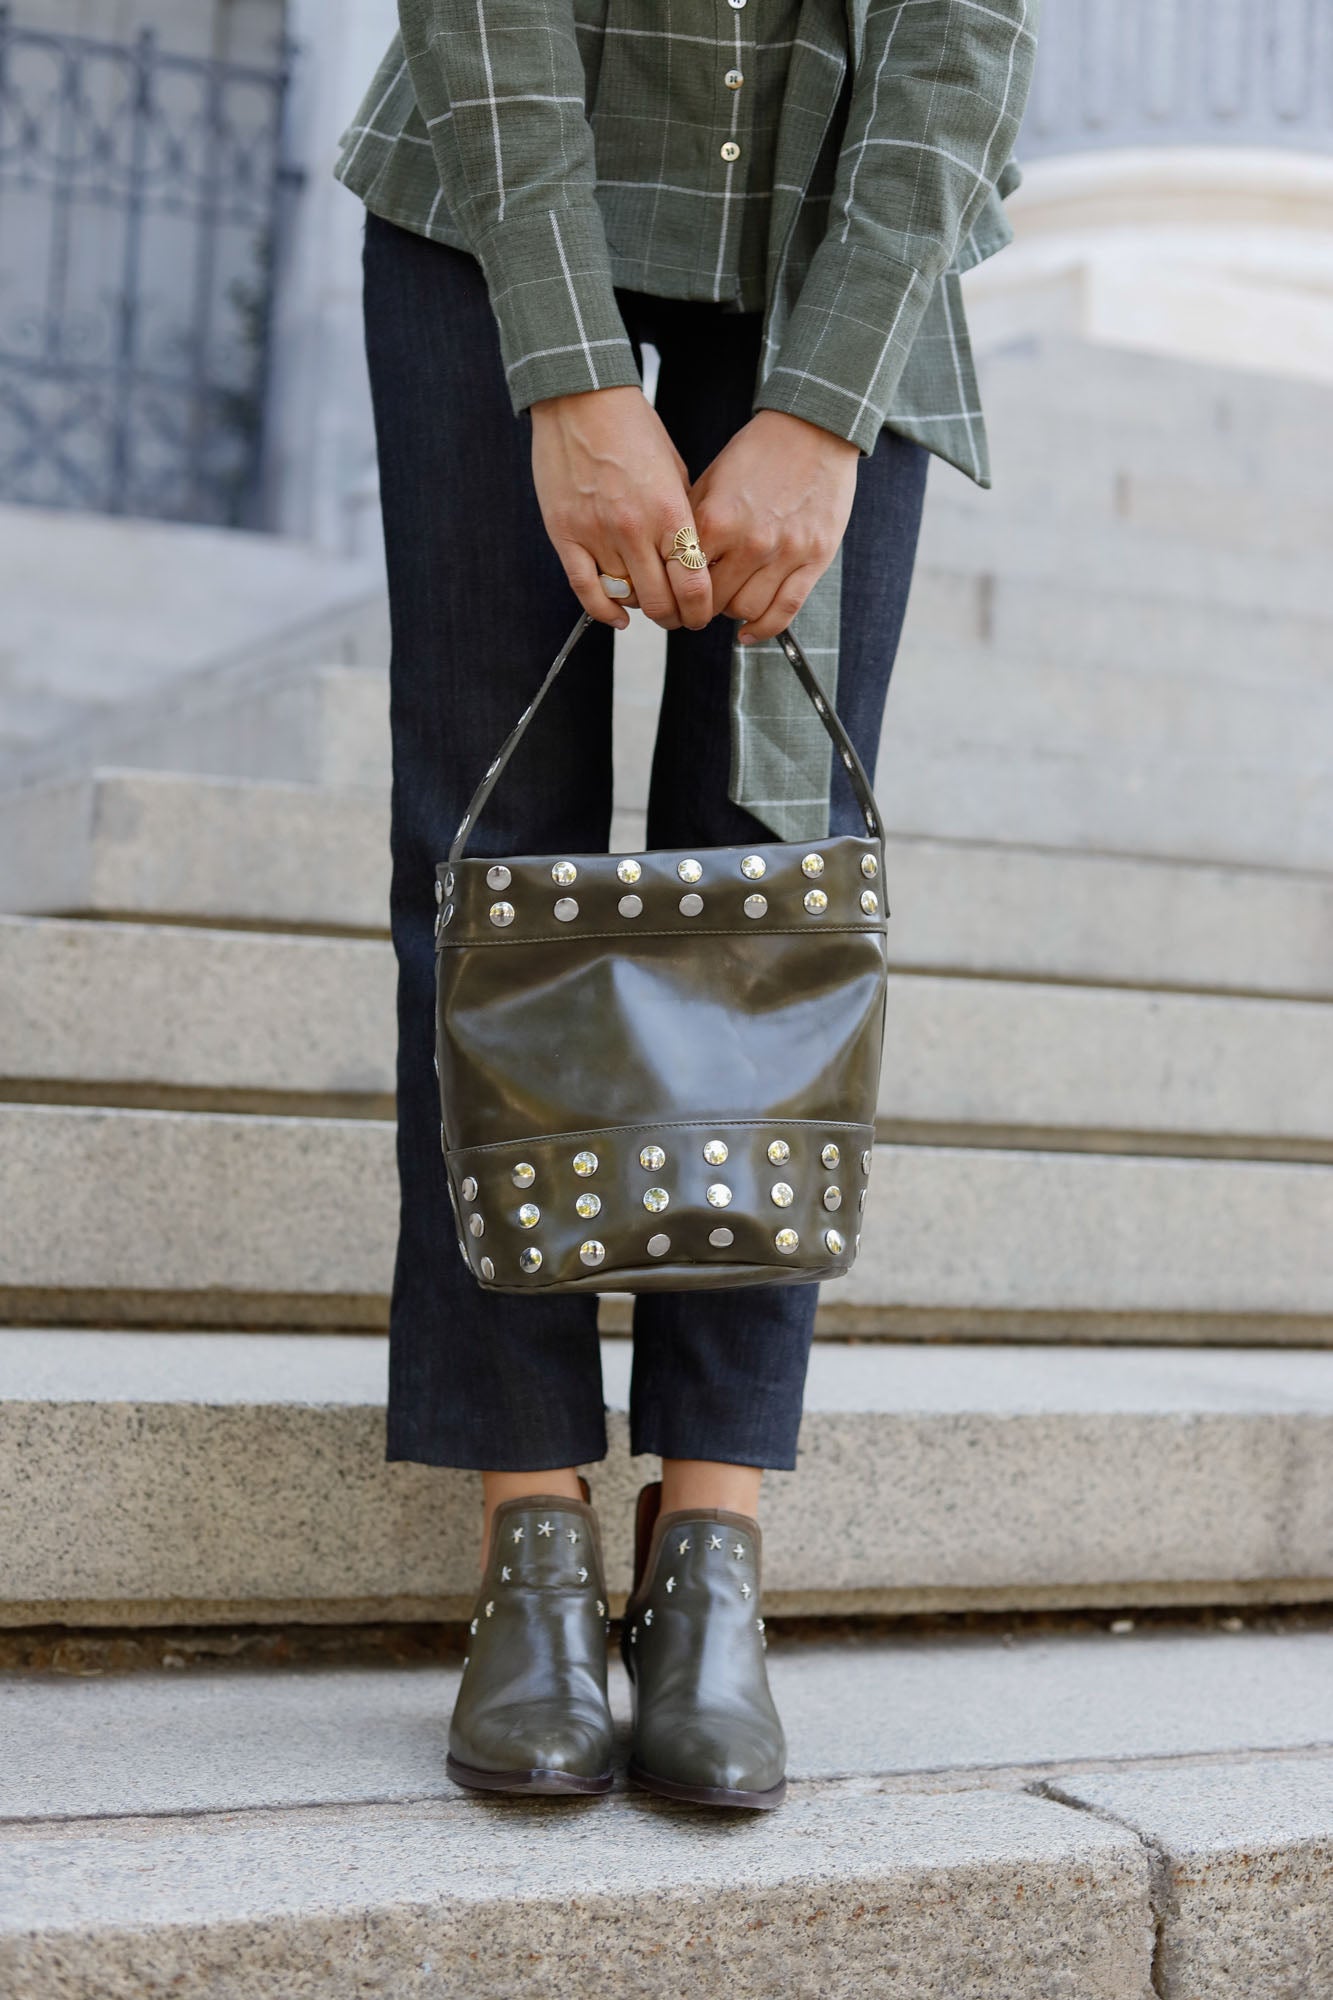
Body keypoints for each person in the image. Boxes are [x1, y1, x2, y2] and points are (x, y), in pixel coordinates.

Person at [336, 0, 1037, 1810]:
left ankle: (710, 1543)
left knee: (772, 893)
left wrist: (820, 411)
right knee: (491, 870)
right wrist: (573, 379)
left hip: (835, 236)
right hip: (503, 192)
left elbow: (961, 39)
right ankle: (533, 1538)